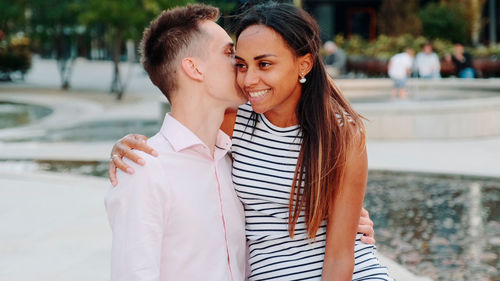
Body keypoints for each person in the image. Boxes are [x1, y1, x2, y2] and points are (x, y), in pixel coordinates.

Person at [109, 2, 392, 280]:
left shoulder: (341, 133)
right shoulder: (234, 121)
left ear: (303, 64)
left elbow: (341, 255)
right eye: (238, 62)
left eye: (264, 64)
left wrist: (347, 215)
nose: (247, 78)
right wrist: (124, 148)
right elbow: (183, 131)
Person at [105, 5, 248, 280]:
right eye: (229, 53)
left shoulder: (234, 159)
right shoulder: (144, 169)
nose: (241, 62)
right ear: (194, 68)